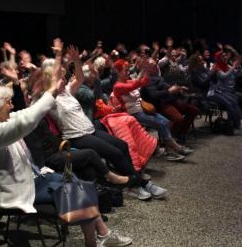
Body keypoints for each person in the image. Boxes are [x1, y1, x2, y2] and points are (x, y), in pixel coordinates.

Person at [0, 63, 132, 247]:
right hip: (16, 192)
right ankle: (97, 240)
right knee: (78, 191)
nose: (11, 106)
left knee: (78, 182)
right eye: (7, 102)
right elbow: (27, 120)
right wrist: (49, 91)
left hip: (33, 178)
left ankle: (102, 235)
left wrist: (48, 91)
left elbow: (25, 115)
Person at [41, 42, 166, 201]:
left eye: (64, 76)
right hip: (76, 137)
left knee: (122, 145)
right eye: (61, 76)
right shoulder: (49, 98)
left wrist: (76, 61)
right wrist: (58, 58)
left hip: (89, 130)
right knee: (115, 153)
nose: (65, 78)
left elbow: (79, 77)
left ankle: (135, 182)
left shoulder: (66, 92)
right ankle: (139, 184)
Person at [112, 58, 191, 161]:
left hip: (142, 109)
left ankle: (169, 151)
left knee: (166, 122)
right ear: (118, 72)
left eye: (128, 70)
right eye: (125, 71)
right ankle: (175, 147)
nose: (128, 73)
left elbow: (143, 81)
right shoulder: (118, 86)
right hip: (132, 113)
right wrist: (145, 70)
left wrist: (146, 70)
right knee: (162, 123)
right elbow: (135, 85)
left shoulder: (129, 80)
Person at [188, 54, 242, 130]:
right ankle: (240, 122)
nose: (203, 62)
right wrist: (213, 73)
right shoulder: (194, 74)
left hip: (215, 90)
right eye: (200, 61)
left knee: (233, 100)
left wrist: (215, 73)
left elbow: (214, 79)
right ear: (195, 63)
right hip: (205, 94)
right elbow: (203, 85)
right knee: (228, 102)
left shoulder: (205, 70)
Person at [141, 58, 200, 143]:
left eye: (156, 65)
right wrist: (169, 91)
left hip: (169, 101)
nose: (157, 67)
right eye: (154, 66)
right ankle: (170, 139)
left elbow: (166, 86)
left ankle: (180, 134)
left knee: (194, 110)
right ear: (148, 68)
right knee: (178, 118)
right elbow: (154, 95)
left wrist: (179, 88)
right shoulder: (147, 80)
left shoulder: (156, 76)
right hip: (160, 105)